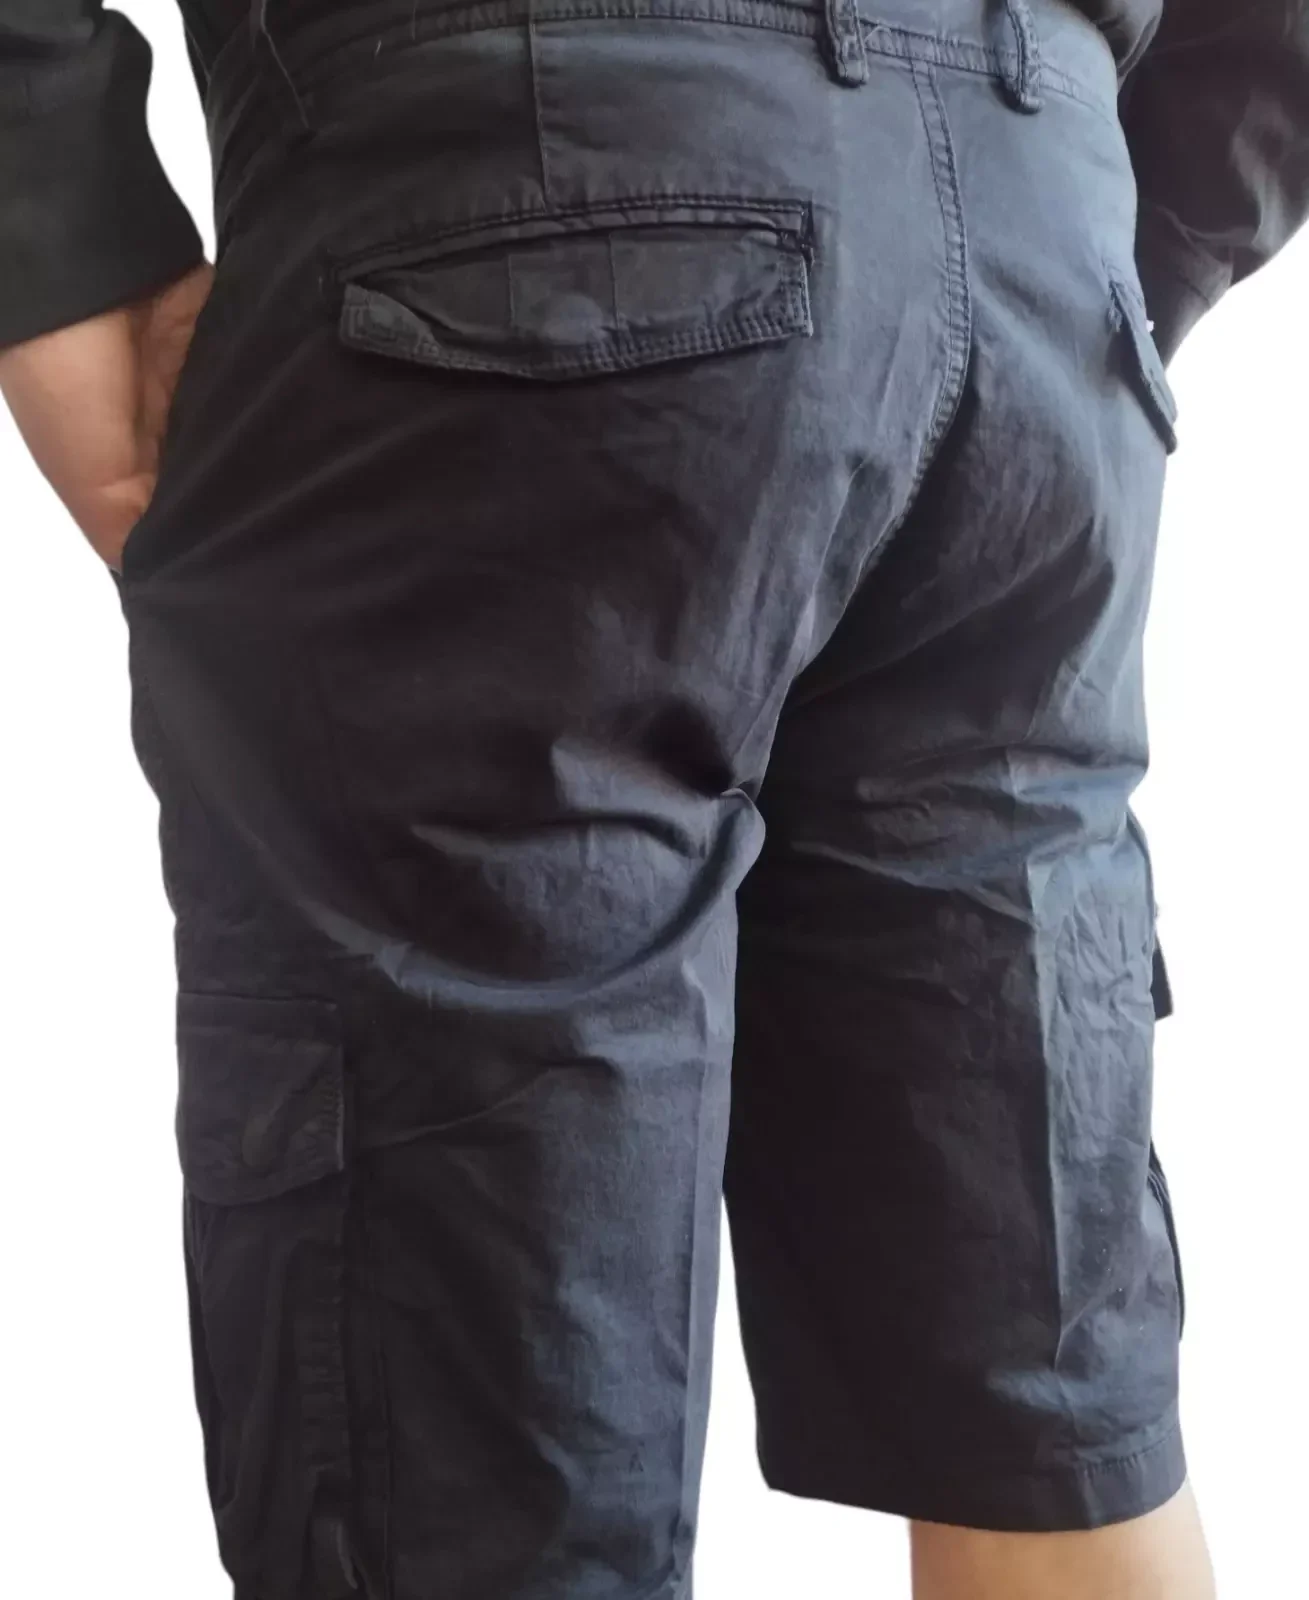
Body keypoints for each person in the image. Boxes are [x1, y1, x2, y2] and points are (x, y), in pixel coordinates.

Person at [1, 1, 1303, 1596]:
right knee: (1043, 1407)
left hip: (522, 211)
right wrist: (1113, 225)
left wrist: (57, 221)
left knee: (468, 1462)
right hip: (1033, 255)